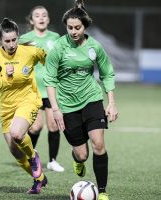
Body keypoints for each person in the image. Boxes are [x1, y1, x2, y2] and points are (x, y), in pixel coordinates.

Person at [44, 1, 118, 200]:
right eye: (70, 28)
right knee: (83, 154)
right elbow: (49, 79)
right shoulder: (59, 47)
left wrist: (111, 102)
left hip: (92, 99)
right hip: (67, 105)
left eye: (77, 27)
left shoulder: (95, 46)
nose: (73, 31)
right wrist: (55, 109)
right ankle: (78, 160)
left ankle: (102, 191)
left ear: (85, 26)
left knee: (99, 144)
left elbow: (107, 74)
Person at [0, 18, 47, 194]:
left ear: (18, 37)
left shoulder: (29, 51)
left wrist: (54, 77)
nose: (12, 44)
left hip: (28, 100)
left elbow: (49, 59)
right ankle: (39, 179)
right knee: (15, 152)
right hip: (7, 107)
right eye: (7, 41)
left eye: (14, 39)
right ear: (0, 41)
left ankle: (33, 156)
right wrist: (6, 77)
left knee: (16, 134)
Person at [20, 6, 64, 172]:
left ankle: (53, 161)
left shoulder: (56, 37)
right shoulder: (24, 39)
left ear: (48, 19)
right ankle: (29, 157)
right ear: (31, 20)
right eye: (37, 16)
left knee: (53, 126)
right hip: (33, 89)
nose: (41, 18)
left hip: (52, 88)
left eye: (44, 15)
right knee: (36, 127)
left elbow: (61, 60)